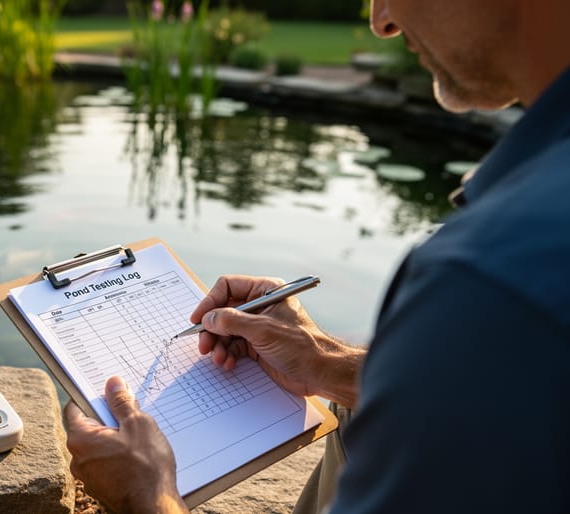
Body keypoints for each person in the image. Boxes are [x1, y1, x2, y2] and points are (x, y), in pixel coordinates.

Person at [64, 0, 570, 512]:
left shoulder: (490, 275)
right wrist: (328, 364)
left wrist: (146, 497)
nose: (382, 20)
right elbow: (494, 399)